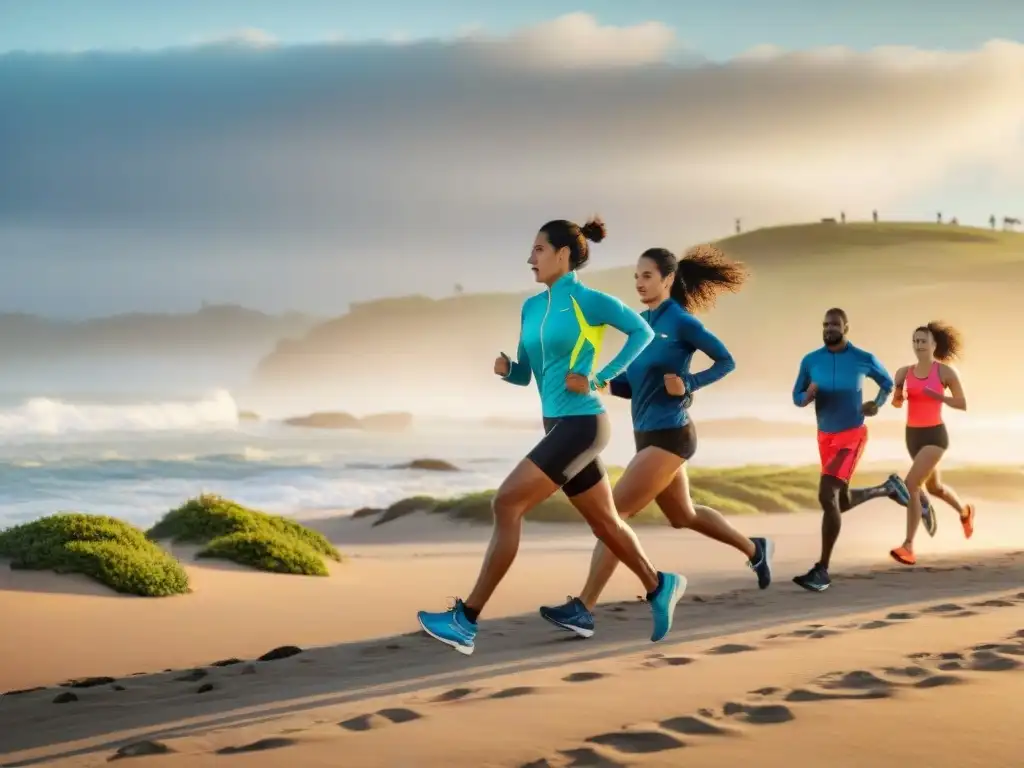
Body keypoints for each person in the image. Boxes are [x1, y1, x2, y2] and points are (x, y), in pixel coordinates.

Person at [416, 218, 686, 655]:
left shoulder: (588, 300)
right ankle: (659, 584)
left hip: (583, 425)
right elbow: (527, 375)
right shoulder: (531, 308)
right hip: (556, 424)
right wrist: (508, 371)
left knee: (506, 503)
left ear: (563, 254)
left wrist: (600, 378)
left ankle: (466, 620)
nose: (530, 259)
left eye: (538, 250)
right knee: (605, 523)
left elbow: (643, 332)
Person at [538, 245, 774, 638]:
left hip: (672, 436)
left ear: (667, 279)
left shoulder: (682, 322)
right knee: (683, 516)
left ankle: (584, 608)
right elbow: (632, 386)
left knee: (613, 517)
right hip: (645, 436)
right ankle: (755, 550)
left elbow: (726, 360)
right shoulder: (642, 326)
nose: (639, 283)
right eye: (636, 277)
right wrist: (593, 384)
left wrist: (690, 384)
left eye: (647, 276)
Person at [791, 308, 912, 592]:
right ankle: (887, 489)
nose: (829, 328)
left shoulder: (863, 359)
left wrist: (877, 404)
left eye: (834, 324)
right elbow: (796, 396)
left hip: (852, 435)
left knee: (826, 494)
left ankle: (822, 570)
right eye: (825, 324)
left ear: (846, 328)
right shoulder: (811, 360)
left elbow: (889, 385)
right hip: (825, 437)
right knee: (839, 502)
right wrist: (805, 397)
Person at [887, 322, 973, 565]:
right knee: (934, 488)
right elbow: (896, 402)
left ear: (934, 345)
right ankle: (965, 512)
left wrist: (938, 396)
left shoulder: (944, 373)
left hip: (935, 436)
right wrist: (898, 398)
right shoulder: (903, 373)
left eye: (923, 341)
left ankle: (908, 546)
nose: (919, 345)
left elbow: (962, 403)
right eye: (915, 341)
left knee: (911, 484)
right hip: (912, 436)